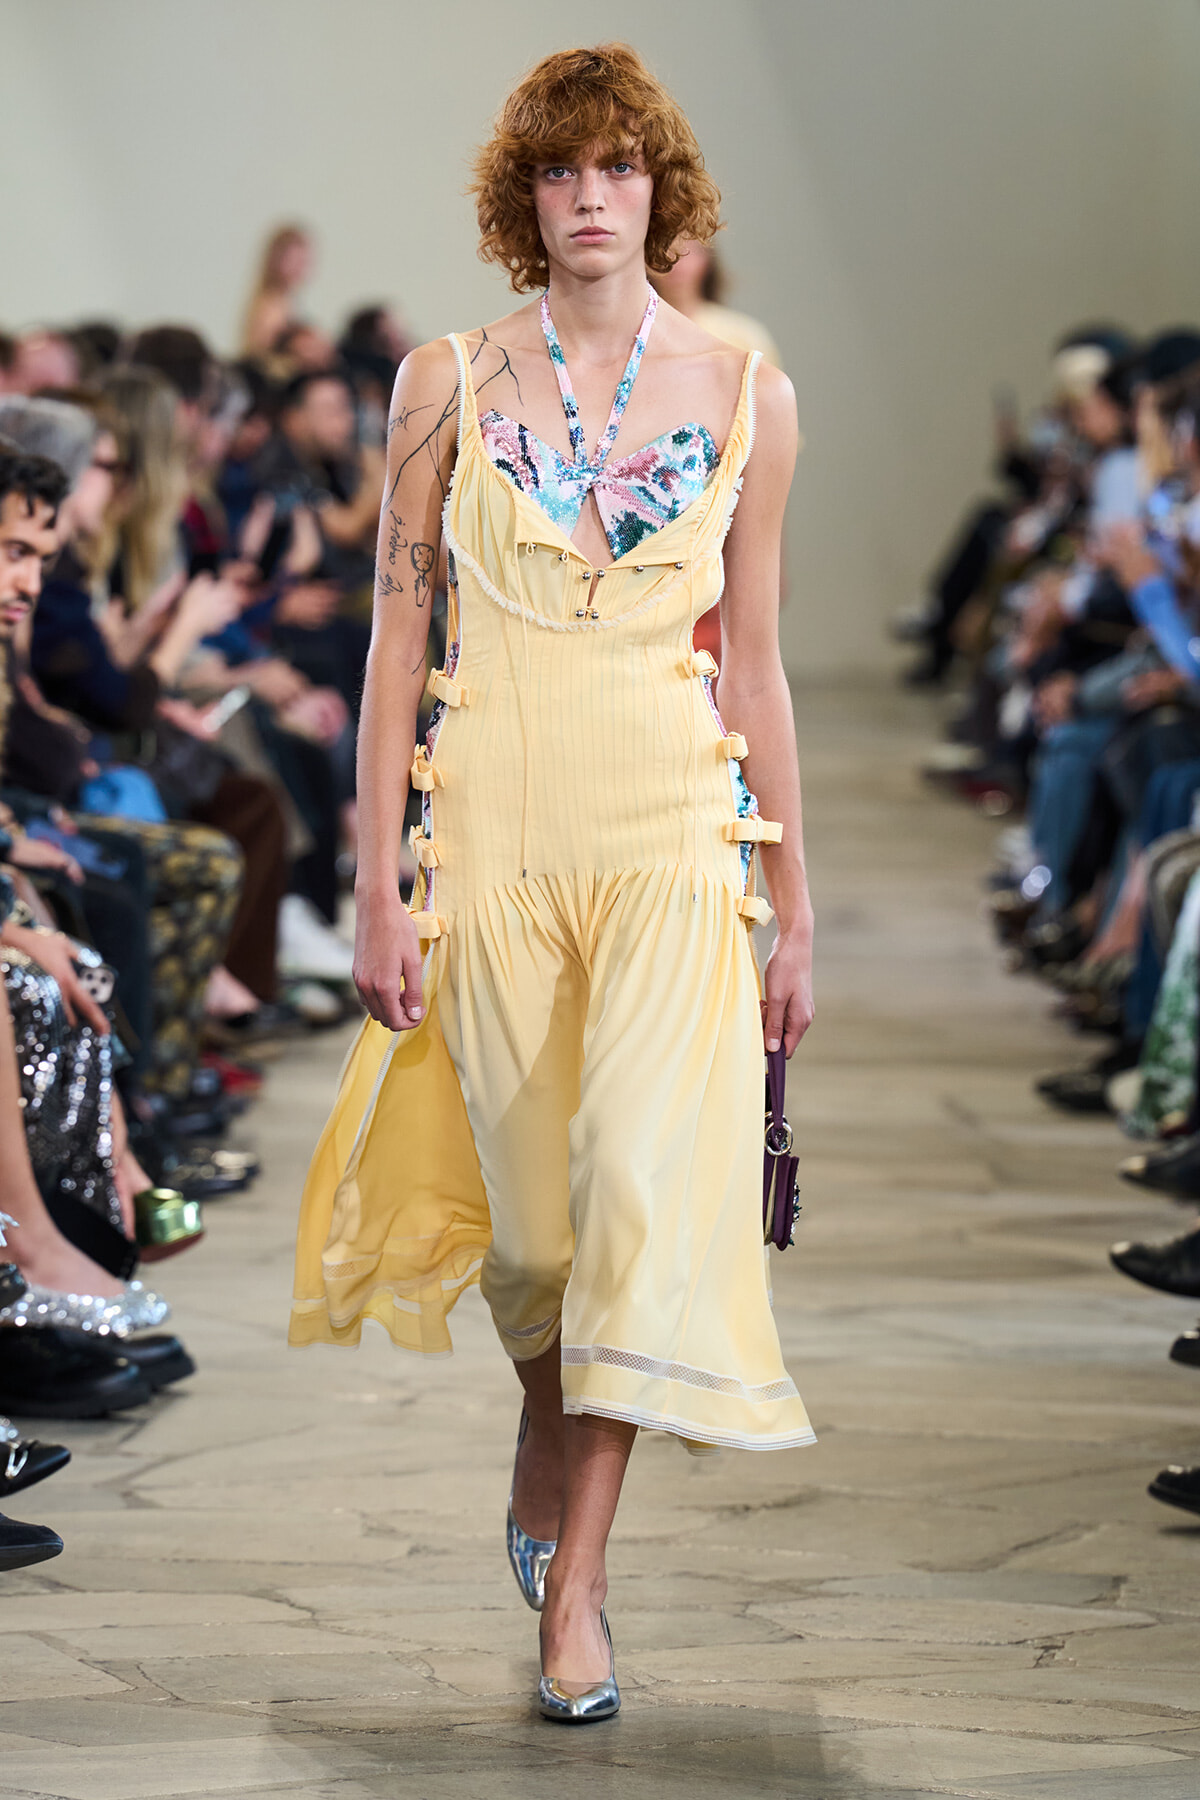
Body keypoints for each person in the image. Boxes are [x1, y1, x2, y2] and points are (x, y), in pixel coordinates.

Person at [291, 42, 815, 1721]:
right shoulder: (445, 380)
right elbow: (391, 645)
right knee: (535, 1241)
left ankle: (580, 1593)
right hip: (493, 846)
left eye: (620, 167)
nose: (592, 195)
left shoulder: (747, 392)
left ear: (664, 192)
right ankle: (546, 1412)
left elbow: (763, 667)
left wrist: (793, 907)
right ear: (523, 201)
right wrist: (378, 884)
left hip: (673, 846)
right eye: (560, 170)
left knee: (642, 1212)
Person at [240, 224, 314, 363]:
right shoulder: (269, 304)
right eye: (294, 261)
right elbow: (262, 357)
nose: (300, 269)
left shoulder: (286, 301)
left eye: (303, 261)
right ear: (276, 261)